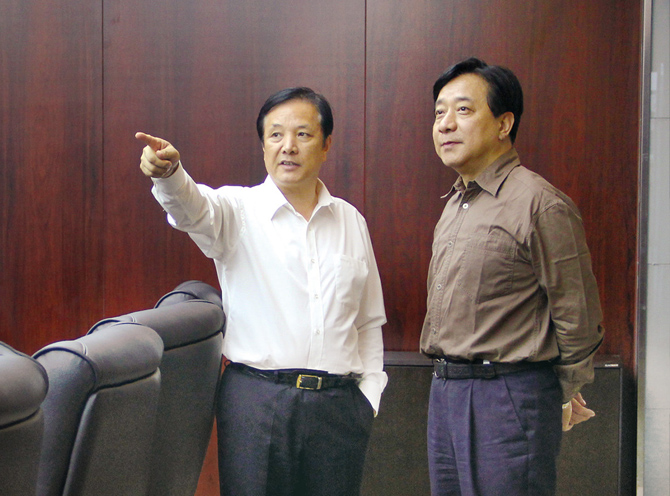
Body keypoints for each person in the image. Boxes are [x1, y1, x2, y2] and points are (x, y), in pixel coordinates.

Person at [135, 87, 387, 496]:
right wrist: (169, 174)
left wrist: (368, 397)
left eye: (303, 134)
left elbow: (368, 321)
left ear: (326, 145)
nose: (288, 146)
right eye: (275, 135)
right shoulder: (237, 210)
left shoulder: (351, 221)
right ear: (264, 145)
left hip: (339, 410)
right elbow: (193, 208)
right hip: (257, 402)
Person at [420, 57, 605, 496]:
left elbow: (578, 317)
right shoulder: (456, 203)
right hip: (445, 392)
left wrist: (556, 395)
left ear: (504, 124)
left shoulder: (539, 203)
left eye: (463, 110)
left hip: (508, 396)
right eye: (439, 112)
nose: (446, 124)